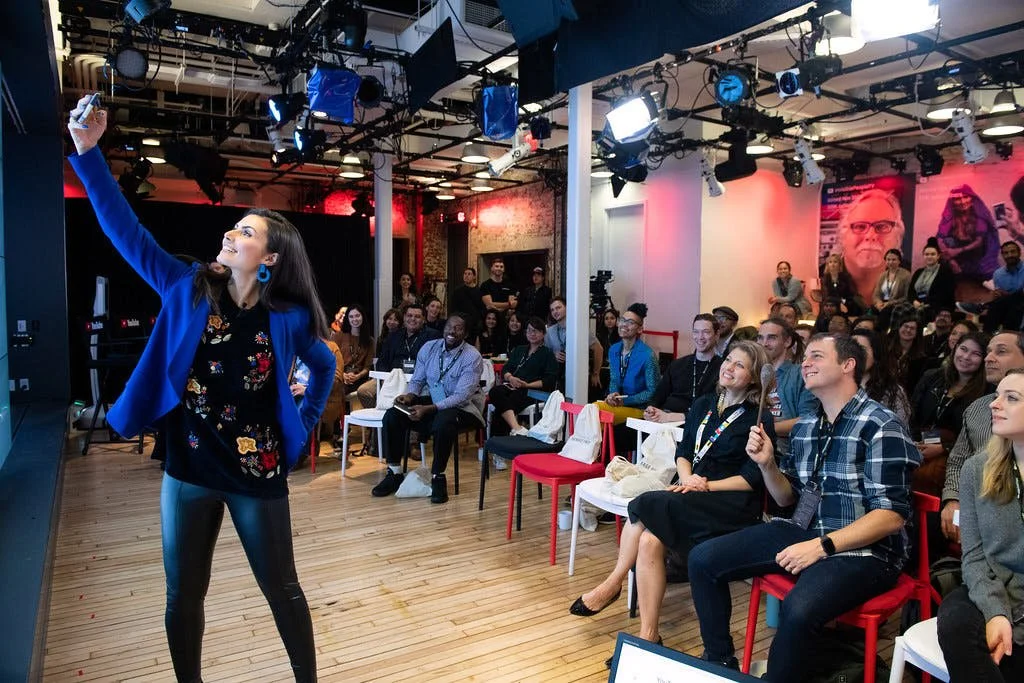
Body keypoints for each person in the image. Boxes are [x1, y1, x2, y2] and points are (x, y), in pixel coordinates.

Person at [67, 96, 334, 682]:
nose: (231, 233)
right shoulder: (186, 286)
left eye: (246, 231)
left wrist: (304, 420)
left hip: (256, 472)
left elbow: (325, 367)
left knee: (282, 591)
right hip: (188, 468)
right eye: (235, 227)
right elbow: (126, 232)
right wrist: (88, 154)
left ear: (269, 258)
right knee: (182, 595)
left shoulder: (288, 319)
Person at [687, 334, 920, 679]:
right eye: (805, 357)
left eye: (816, 356)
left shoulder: (881, 424)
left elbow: (890, 516)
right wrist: (767, 465)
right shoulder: (808, 426)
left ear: (848, 365)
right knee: (702, 559)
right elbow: (787, 498)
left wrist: (822, 546)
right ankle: (720, 663)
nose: (805, 363)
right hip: (806, 531)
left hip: (868, 551)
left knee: (798, 609)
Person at [569, 342, 777, 663]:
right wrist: (689, 478)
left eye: (740, 365)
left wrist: (704, 485)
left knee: (646, 503)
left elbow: (751, 479)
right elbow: (684, 452)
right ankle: (649, 636)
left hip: (730, 505)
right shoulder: (704, 404)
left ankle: (613, 583)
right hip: (692, 494)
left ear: (753, 378)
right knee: (649, 540)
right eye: (729, 360)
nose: (729, 367)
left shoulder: (757, 418)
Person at [936, 368, 1024, 683]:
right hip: (993, 586)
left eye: (1011, 398)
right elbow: (972, 557)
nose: (993, 404)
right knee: (955, 620)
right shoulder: (977, 469)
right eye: (997, 395)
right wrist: (995, 611)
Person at [371, 314, 484, 504]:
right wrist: (409, 396)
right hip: (434, 401)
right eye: (449, 326)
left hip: (465, 408)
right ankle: (394, 472)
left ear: (465, 334)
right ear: (444, 328)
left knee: (444, 421)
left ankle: (438, 476)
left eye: (458, 328)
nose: (452, 331)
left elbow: (461, 396)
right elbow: (417, 380)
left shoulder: (472, 356)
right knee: (393, 414)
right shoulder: (429, 347)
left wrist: (428, 408)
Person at [940, 332, 1024, 543]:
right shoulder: (977, 408)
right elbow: (957, 460)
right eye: (988, 352)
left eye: (1001, 352)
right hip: (977, 508)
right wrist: (953, 499)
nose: (988, 358)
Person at [909, 332, 989, 497]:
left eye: (976, 354)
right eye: (963, 349)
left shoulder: (986, 392)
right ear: (955, 348)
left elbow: (979, 438)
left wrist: (944, 448)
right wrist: (915, 442)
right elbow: (912, 414)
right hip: (918, 443)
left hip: (955, 455)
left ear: (984, 359)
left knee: (926, 477)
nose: (966, 357)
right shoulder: (932, 376)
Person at [357, 303, 439, 413]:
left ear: (423, 319)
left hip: (417, 381)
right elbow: (382, 361)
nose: (413, 319)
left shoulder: (433, 336)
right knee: (364, 391)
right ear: (404, 318)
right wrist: (384, 381)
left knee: (418, 397)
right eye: (409, 315)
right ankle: (380, 419)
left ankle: (401, 419)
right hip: (391, 377)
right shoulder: (393, 335)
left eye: (417, 316)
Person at [756, 318, 818, 458]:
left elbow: (808, 421)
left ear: (787, 341)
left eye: (771, 338)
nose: (764, 343)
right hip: (750, 448)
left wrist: (761, 428)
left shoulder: (800, 374)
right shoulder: (752, 374)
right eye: (760, 338)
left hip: (785, 452)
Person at [644, 313, 723, 423]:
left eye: (706, 332)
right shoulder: (677, 365)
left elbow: (715, 410)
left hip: (695, 423)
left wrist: (673, 417)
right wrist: (650, 409)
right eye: (696, 331)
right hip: (663, 418)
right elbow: (658, 396)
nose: (700, 337)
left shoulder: (723, 370)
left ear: (717, 335)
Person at [487, 317, 558, 438]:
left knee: (502, 407)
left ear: (543, 334)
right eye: (529, 330)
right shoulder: (519, 350)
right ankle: (517, 428)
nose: (532, 334)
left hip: (532, 391)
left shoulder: (548, 354)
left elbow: (549, 381)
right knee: (494, 391)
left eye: (536, 331)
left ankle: (497, 445)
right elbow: (506, 369)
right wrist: (511, 378)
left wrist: (527, 385)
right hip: (512, 386)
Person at [837, 188, 908, 307]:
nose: (871, 236)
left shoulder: (910, 278)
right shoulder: (820, 277)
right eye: (860, 226)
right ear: (843, 235)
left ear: (897, 236)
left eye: (882, 226)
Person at [595, 303, 660, 424]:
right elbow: (614, 380)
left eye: (630, 322)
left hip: (640, 410)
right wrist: (613, 395)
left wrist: (625, 401)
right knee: (592, 411)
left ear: (639, 329)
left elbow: (652, 391)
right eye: (622, 320)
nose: (624, 324)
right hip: (619, 406)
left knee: (595, 412)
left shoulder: (647, 355)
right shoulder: (614, 349)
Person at [937, 184, 1000, 281]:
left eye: (966, 197)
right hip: (957, 255)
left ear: (972, 198)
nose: (962, 202)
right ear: (953, 202)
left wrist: (958, 251)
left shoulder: (979, 215)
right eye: (958, 199)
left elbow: (979, 242)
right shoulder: (950, 216)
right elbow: (940, 238)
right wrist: (950, 260)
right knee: (947, 241)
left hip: (977, 253)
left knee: (988, 275)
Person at [851, 329, 912, 425]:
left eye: (861, 349)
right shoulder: (835, 385)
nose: (855, 354)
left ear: (876, 354)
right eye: (851, 349)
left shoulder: (892, 392)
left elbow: (898, 427)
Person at [545, 296, 603, 394]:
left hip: (579, 375)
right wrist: (554, 355)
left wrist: (595, 373)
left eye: (558, 308)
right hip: (558, 377)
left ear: (567, 308)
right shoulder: (550, 331)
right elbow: (546, 353)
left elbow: (598, 349)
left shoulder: (579, 328)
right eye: (552, 310)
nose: (555, 312)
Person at [909, 238, 957, 320]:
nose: (929, 257)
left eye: (932, 254)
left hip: (937, 306)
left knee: (921, 313)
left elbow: (945, 294)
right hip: (917, 304)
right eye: (927, 254)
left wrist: (925, 303)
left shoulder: (946, 271)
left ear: (938, 256)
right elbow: (910, 292)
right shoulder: (918, 272)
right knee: (899, 309)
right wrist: (914, 301)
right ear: (923, 256)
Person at [871, 248, 912, 315]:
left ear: (899, 261)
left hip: (896, 305)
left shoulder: (906, 275)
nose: (890, 262)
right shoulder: (882, 275)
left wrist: (889, 303)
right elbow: (876, 294)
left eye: (893, 260)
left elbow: (906, 297)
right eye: (888, 259)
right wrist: (878, 302)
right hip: (882, 304)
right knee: (872, 309)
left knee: (886, 311)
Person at [450, 267, 484, 342]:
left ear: (474, 276)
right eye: (465, 274)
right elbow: (453, 308)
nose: (466, 276)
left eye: (469, 274)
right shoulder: (457, 291)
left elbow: (481, 308)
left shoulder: (479, 291)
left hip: (474, 324)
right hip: (461, 322)